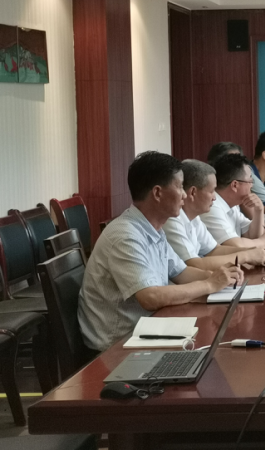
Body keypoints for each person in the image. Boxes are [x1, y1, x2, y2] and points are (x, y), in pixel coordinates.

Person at [78, 151, 243, 352]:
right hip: (117, 347)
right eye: (180, 187)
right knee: (210, 350)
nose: (184, 195)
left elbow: (181, 272)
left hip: (149, 328)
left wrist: (221, 277)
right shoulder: (125, 236)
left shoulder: (153, 227)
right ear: (157, 193)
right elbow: (150, 297)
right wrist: (209, 284)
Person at [162, 159, 265, 270]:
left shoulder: (194, 217)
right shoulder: (173, 220)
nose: (214, 197)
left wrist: (251, 251)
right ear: (193, 192)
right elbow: (193, 264)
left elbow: (214, 250)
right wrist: (246, 256)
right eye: (211, 191)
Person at [200, 153, 265, 247]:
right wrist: (263, 242)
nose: (252, 186)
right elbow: (234, 245)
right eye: (250, 181)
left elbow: (252, 236)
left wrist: (259, 210)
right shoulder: (212, 206)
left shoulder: (233, 205)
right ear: (235, 185)